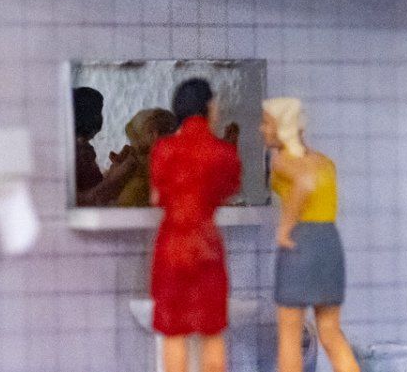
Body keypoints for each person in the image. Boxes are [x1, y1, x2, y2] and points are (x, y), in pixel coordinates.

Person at [149, 78, 243, 372]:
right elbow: (229, 189)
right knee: (212, 330)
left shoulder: (164, 149)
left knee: (173, 331)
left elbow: (156, 197)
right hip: (206, 246)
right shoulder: (223, 152)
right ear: (209, 107)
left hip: (173, 246)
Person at [263, 98, 360, 372]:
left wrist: (285, 227)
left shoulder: (282, 160)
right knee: (330, 332)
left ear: (282, 127)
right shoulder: (325, 162)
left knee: (290, 336)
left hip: (301, 242)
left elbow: (303, 184)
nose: (262, 129)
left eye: (267, 123)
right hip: (329, 242)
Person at [73, 86, 140, 207]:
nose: (99, 118)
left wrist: (115, 170)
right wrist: (120, 175)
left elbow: (93, 184)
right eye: (95, 113)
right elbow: (88, 200)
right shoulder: (74, 153)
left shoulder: (84, 149)